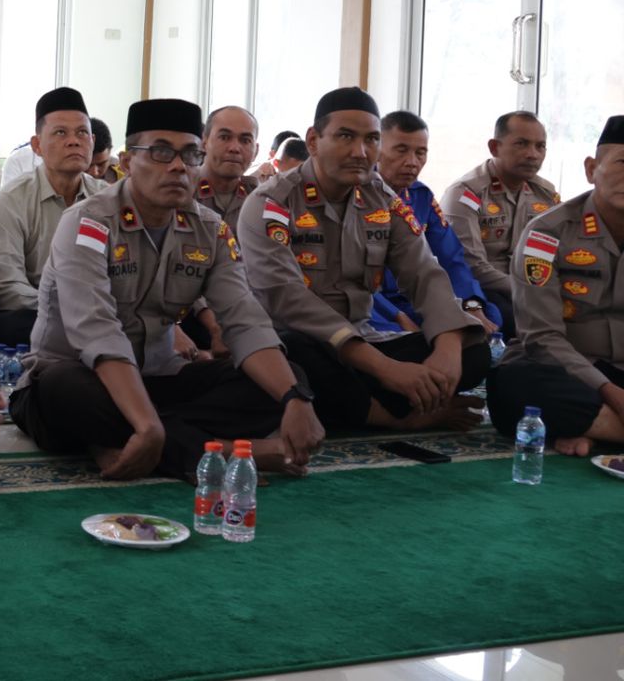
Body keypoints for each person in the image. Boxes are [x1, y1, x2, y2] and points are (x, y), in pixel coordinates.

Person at [12, 99, 324, 480]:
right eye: (161, 152)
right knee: (63, 391)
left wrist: (294, 398)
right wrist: (147, 424)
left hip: (159, 378)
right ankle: (221, 450)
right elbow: (96, 332)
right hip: (83, 377)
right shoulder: (88, 221)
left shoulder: (210, 229)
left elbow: (245, 321)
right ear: (127, 162)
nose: (178, 166)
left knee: (287, 375)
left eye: (190, 154)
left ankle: (130, 438)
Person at [240, 88, 490, 432]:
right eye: (345, 136)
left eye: (371, 139)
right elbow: (288, 301)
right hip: (299, 344)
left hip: (366, 340)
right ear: (313, 141)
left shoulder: (380, 197)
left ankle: (362, 405)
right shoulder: (271, 203)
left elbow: (423, 272)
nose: (360, 152)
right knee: (301, 356)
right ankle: (393, 418)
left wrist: (447, 346)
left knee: (472, 351)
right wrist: (386, 369)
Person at [488, 116, 624, 455]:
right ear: (592, 169)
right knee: (512, 384)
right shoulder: (547, 233)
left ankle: (599, 430)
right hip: (570, 371)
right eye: (623, 164)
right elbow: (542, 337)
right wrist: (609, 391)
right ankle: (607, 427)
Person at [0, 88, 104, 344]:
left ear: (92, 141)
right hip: (35, 312)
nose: (74, 141)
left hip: (97, 313)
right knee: (15, 326)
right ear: (37, 146)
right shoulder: (10, 201)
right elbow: (7, 285)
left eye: (82, 133)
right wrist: (66, 311)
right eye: (60, 133)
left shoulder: (107, 199)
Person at [370, 111, 501, 336]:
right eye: (401, 150)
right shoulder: (356, 195)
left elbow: (451, 258)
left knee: (489, 314)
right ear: (377, 151)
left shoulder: (421, 196)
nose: (412, 162)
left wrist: (471, 305)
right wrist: (396, 315)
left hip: (416, 297)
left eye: (420, 153)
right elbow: (348, 279)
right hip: (376, 302)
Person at [443, 111, 562, 337]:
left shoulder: (546, 194)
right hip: (479, 291)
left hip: (531, 286)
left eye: (540, 146)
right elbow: (472, 266)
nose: (533, 154)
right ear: (494, 147)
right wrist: (532, 292)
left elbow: (560, 252)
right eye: (521, 144)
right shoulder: (466, 193)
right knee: (523, 321)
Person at [179, 105, 262, 356]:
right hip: (187, 313)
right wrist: (215, 326)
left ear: (256, 150)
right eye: (225, 137)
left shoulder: (263, 200)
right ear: (204, 142)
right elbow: (177, 270)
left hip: (248, 311)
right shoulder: (179, 191)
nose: (235, 148)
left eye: (245, 140)